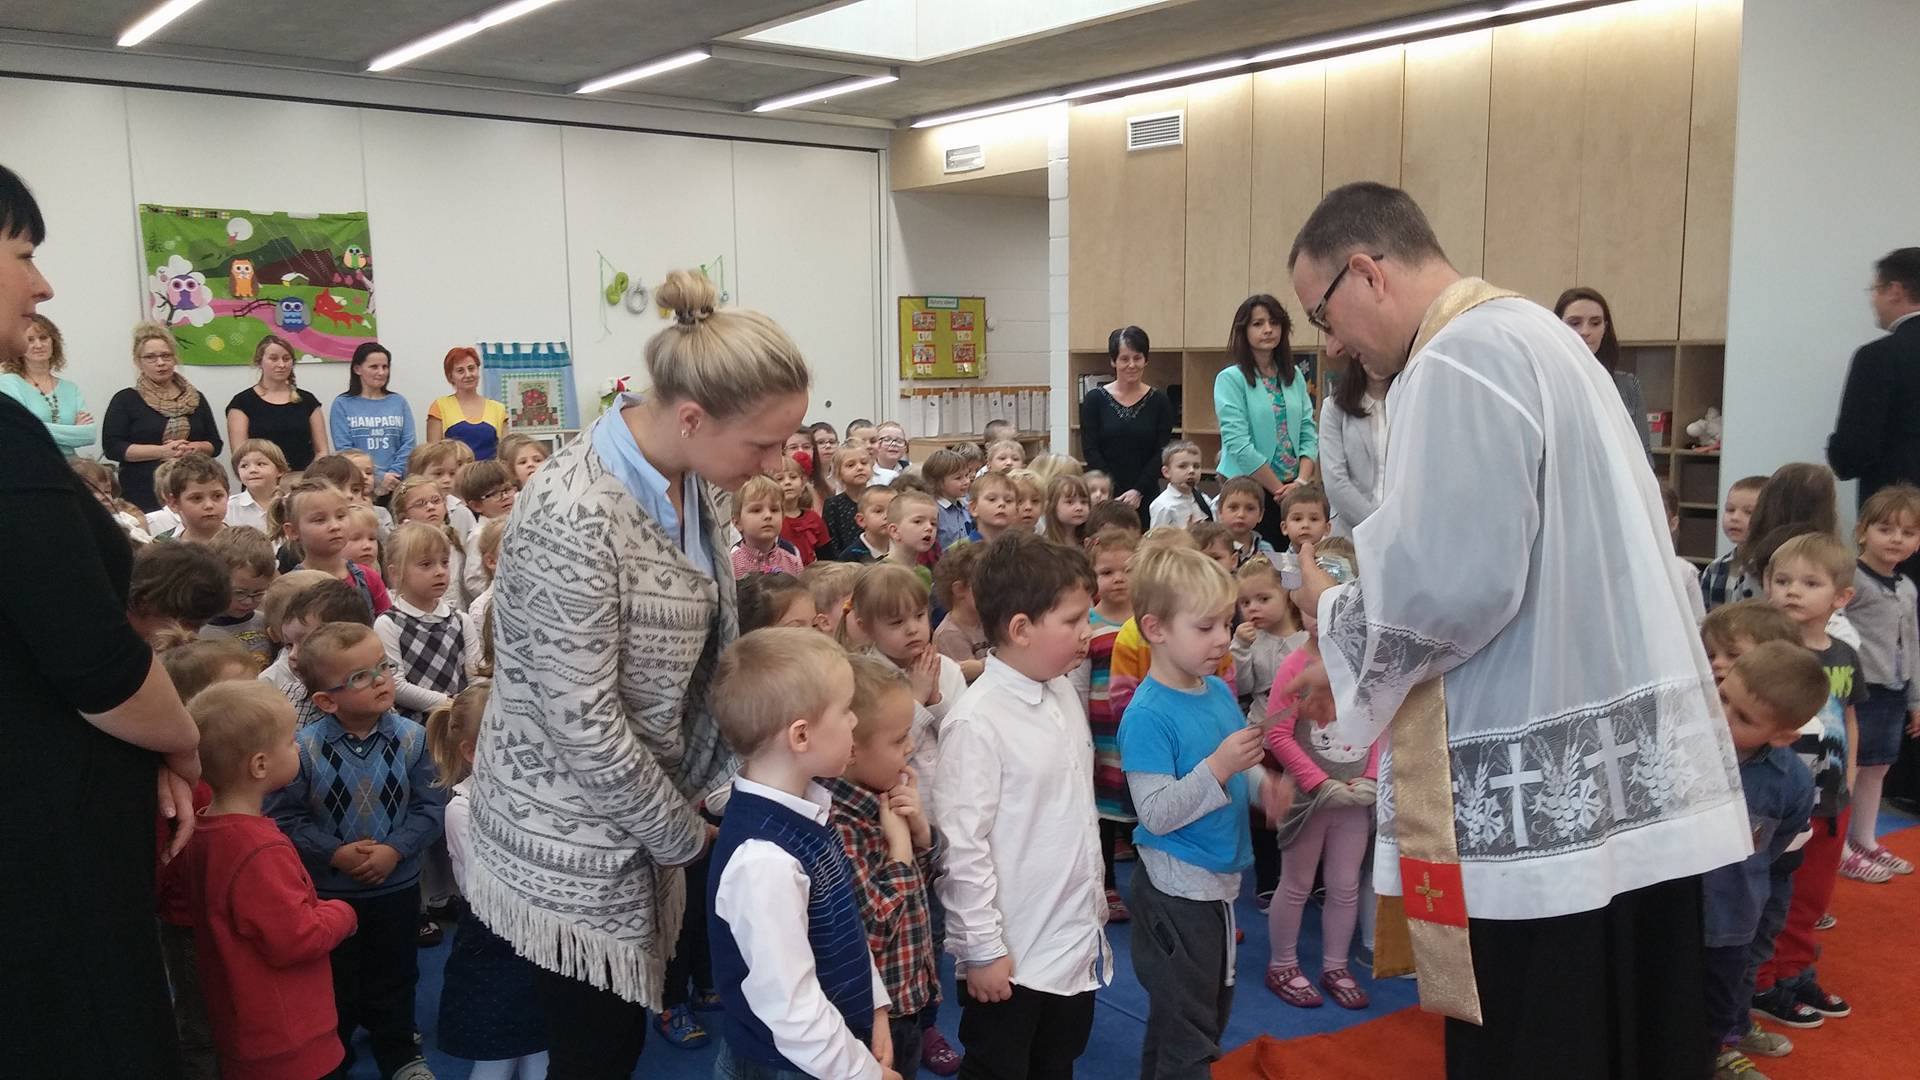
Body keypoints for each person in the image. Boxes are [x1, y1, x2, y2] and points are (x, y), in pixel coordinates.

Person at [1282, 182, 1746, 1079]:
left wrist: (1332, 617)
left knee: (1547, 1029)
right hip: (1607, 749)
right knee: (1631, 1012)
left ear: (1367, 272)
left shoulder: (1454, 359)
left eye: (1322, 315)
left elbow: (1453, 582)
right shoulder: (1538, 333)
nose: (1330, 344)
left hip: (1533, 753)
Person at [469, 268, 807, 1077]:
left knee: (614, 1038)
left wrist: (736, 782)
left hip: (641, 804)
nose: (778, 462)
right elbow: (583, 723)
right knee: (597, 1047)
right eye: (762, 443)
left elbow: (703, 651)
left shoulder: (693, 476)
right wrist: (685, 837)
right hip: (569, 830)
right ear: (692, 417)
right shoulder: (572, 512)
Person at [0, 165, 205, 1078]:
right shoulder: (7, 443)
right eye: (23, 255)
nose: (41, 285)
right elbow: (93, 660)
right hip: (45, 844)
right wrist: (180, 742)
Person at [934, 532, 1110, 1078]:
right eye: (1074, 620)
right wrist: (983, 950)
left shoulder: (1060, 690)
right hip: (1012, 955)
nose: (1087, 631)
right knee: (999, 1068)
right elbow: (962, 850)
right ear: (1020, 629)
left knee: (1057, 1061)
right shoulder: (977, 721)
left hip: (1069, 937)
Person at [706, 629, 901, 1080]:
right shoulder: (764, 861)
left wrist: (874, 1006)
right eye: (846, 710)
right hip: (788, 1065)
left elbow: (844, 925)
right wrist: (863, 1074)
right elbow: (791, 1009)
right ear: (800, 735)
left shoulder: (808, 811)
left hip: (830, 1050)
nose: (855, 720)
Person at [267, 621, 445, 1080]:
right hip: (330, 894)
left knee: (397, 972)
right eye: (361, 677)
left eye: (383, 667)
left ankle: (399, 1051)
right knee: (336, 979)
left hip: (396, 886)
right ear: (327, 701)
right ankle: (335, 1053)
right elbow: (285, 817)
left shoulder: (413, 739)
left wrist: (394, 850)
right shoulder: (302, 750)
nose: (382, 680)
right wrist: (334, 853)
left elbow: (430, 807)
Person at [1118, 546, 1264, 1076]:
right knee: (1191, 1029)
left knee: (1197, 1015)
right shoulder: (1147, 715)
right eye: (1205, 627)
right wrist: (1219, 767)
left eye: (1226, 622)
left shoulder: (1217, 691)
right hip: (1175, 890)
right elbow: (1155, 813)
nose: (1223, 638)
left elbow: (1239, 762)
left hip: (1214, 884)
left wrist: (1264, 785)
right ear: (1155, 629)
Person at [169, 681, 359, 1080]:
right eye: (290, 742)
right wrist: (342, 913)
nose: (298, 749)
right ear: (259, 764)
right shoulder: (258, 849)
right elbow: (295, 939)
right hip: (288, 1038)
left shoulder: (204, 830)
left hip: (241, 1026)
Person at [1752, 535, 1867, 1024]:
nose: (1792, 591)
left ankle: (1794, 971)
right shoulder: (1766, 654)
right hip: (1776, 804)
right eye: (1782, 581)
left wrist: (1850, 779)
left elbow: (1849, 717)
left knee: (1812, 897)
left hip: (1828, 799)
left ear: (1841, 596)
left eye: (1809, 583)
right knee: (1769, 896)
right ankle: (1760, 981)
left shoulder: (1844, 655)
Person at [1700, 644, 1821, 1080]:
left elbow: (1776, 845)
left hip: (1729, 914)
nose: (1720, 715)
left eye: (1743, 718)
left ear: (1783, 736)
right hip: (1663, 904)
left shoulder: (1791, 780)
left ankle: (1718, 1052)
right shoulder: (1683, 743)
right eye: (1721, 695)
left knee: (1721, 993)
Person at [1264, 560, 1380, 1013]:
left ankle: (1336, 964)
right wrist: (1316, 782)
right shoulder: (1295, 666)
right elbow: (1277, 733)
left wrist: (1370, 778)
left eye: (1331, 608)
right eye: (1312, 609)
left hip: (1353, 800)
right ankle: (1282, 964)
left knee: (1345, 885)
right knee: (1296, 884)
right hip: (1308, 801)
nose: (1320, 620)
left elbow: (1380, 725)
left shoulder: (1363, 667)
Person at [828, 655, 948, 1078]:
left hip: (909, 997)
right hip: (872, 1018)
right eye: (898, 740)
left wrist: (921, 835)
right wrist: (899, 848)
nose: (910, 747)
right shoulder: (840, 827)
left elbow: (924, 886)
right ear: (851, 750)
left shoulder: (884, 799)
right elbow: (875, 930)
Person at [429, 681, 551, 1080]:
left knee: (540, 1046)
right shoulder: (462, 810)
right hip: (496, 946)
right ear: (472, 751)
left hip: (541, 942)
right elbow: (486, 889)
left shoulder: (536, 795)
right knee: (496, 1056)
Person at [845, 564, 965, 827]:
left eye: (919, 616)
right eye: (897, 622)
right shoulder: (864, 681)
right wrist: (918, 700)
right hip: (903, 811)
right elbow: (879, 755)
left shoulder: (948, 670)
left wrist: (936, 702)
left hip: (955, 802)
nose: (912, 629)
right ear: (866, 627)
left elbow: (963, 743)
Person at [1827, 246, 1920, 576]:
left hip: (1897, 525)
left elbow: (1853, 452)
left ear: (1894, 290)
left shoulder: (1879, 357)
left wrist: (1837, 451)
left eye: (1875, 290)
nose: (1873, 301)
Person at [1842, 483, 1920, 868]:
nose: (1896, 539)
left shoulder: (1907, 587)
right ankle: (1839, 846)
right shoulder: (1852, 580)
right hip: (1860, 691)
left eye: (1908, 532)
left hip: (1893, 690)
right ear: (1862, 532)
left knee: (1878, 768)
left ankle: (1865, 839)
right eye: (1885, 529)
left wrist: (1915, 699)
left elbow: (1912, 643)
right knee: (1850, 768)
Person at [1073, 526, 1140, 922]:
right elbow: (1079, 685)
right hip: (1103, 734)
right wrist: (1083, 737)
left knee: (1143, 806)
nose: (1118, 579)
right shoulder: (1089, 624)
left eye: (1127, 570)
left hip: (1143, 731)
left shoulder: (1150, 620)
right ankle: (1107, 883)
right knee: (1103, 816)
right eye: (1107, 572)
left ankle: (1150, 883)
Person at [1214, 294, 1317, 551]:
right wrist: (1280, 490)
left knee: (1292, 562)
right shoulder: (1231, 378)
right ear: (1244, 331)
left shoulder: (1294, 376)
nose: (1268, 329)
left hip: (1294, 487)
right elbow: (1238, 443)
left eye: (1274, 322)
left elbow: (1308, 430)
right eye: (1258, 324)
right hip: (1250, 490)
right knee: (1255, 563)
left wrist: (1301, 482)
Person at [103, 321, 224, 512]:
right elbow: (113, 447)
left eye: (166, 355)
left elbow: (215, 444)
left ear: (175, 358)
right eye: (150, 357)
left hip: (194, 489)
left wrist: (193, 448)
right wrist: (163, 452)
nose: (160, 363)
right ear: (138, 362)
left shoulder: (195, 398)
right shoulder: (126, 399)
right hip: (143, 490)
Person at [376, 522, 478, 717]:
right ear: (396, 573)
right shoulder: (389, 624)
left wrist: (467, 703)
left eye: (444, 562)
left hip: (459, 720)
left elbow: (475, 676)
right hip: (415, 725)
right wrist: (447, 703)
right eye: (426, 564)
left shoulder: (460, 620)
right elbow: (396, 684)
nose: (440, 571)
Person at [1081, 326, 1178, 526]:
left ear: (1146, 360)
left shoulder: (1160, 401)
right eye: (1124, 359)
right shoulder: (1094, 399)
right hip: (1105, 495)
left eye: (1137, 358)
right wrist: (1113, 490)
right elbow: (1090, 449)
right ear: (1113, 361)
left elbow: (1162, 451)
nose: (1131, 365)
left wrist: (1138, 490)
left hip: (1145, 494)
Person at [1554, 287, 1650, 453]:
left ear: (1605, 328)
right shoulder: (1543, 385)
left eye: (1595, 323)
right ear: (1556, 326)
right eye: (1574, 323)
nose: (1585, 332)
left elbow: (1643, 452)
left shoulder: (1627, 385)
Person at [226, 334, 326, 471]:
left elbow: (322, 451)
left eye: (286, 359)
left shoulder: (308, 401)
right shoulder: (242, 403)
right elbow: (240, 456)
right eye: (273, 358)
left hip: (304, 479)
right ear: (259, 362)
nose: (281, 365)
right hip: (261, 479)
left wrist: (308, 478)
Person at [331, 341, 417, 496]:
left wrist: (394, 474)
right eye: (374, 367)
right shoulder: (342, 404)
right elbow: (345, 449)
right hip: (360, 485)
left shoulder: (399, 402)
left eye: (385, 367)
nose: (381, 372)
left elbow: (408, 443)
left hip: (397, 484)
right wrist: (378, 476)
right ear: (357, 369)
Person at [1316, 359, 1391, 538]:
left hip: (1402, 528)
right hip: (1349, 531)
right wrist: (1379, 525)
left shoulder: (1409, 402)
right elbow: (1335, 481)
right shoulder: (1333, 407)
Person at [0, 312, 92, 454]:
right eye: (30, 340)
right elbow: (19, 431)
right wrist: (74, 432)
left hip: (70, 464)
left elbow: (89, 435)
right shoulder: (8, 383)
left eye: (43, 338)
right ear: (19, 345)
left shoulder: (71, 389)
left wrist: (35, 429)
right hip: (30, 463)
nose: (38, 345)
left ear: (53, 341)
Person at [200, 525, 277, 667]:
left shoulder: (266, 622)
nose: (248, 601)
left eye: (258, 593)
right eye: (239, 593)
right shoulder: (196, 631)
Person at [426, 346, 507, 460]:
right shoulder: (439, 407)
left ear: (478, 370)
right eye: (460, 371)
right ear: (450, 377)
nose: (468, 375)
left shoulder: (498, 409)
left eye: (471, 368)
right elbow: (433, 456)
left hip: (490, 471)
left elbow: (505, 455)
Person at [931, 541, 990, 682]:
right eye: (985, 584)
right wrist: (984, 666)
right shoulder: (948, 634)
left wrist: (981, 665)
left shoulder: (991, 618)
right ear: (959, 590)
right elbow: (972, 679)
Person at [732, 474, 806, 577]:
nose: (768, 515)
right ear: (737, 522)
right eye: (756, 510)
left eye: (774, 510)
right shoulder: (731, 566)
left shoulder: (793, 563)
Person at [157, 452, 231, 545]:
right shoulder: (161, 547)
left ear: (228, 496)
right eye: (197, 498)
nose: (209, 505)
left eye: (217, 496)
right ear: (174, 503)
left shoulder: (245, 545)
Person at [777, 452, 830, 565]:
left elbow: (826, 557)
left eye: (793, 477)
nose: (787, 482)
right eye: (780, 478)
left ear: (802, 484)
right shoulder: (773, 520)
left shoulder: (813, 518)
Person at [826, 441, 876, 559]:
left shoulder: (879, 499)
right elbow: (832, 543)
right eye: (850, 465)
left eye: (864, 463)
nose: (859, 468)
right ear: (838, 473)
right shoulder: (833, 505)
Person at [227, 438, 288, 532]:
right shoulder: (229, 507)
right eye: (244, 466)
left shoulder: (290, 503)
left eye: (260, 464)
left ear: (280, 470)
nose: (252, 470)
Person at [923, 448, 976, 551]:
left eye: (966, 475)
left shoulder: (967, 504)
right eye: (958, 478)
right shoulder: (934, 510)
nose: (966, 481)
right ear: (938, 482)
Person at [1149, 441, 1209, 528]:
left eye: (1196, 466)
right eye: (1182, 466)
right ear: (1166, 472)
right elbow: (1158, 536)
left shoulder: (1205, 499)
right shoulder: (1163, 506)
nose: (1191, 471)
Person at [1042, 473, 1093, 548]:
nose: (1079, 508)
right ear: (1052, 506)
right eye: (1070, 502)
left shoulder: (1091, 542)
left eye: (1084, 502)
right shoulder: (1043, 545)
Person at [968, 470, 1017, 545]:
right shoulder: (960, 550)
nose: (1002, 504)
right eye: (992, 499)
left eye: (1008, 500)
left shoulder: (1023, 548)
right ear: (974, 508)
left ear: (1016, 510)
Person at [871, 421, 910, 485]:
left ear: (905, 447)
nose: (894, 444)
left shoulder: (909, 469)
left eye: (899, 441)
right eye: (887, 440)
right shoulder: (867, 470)